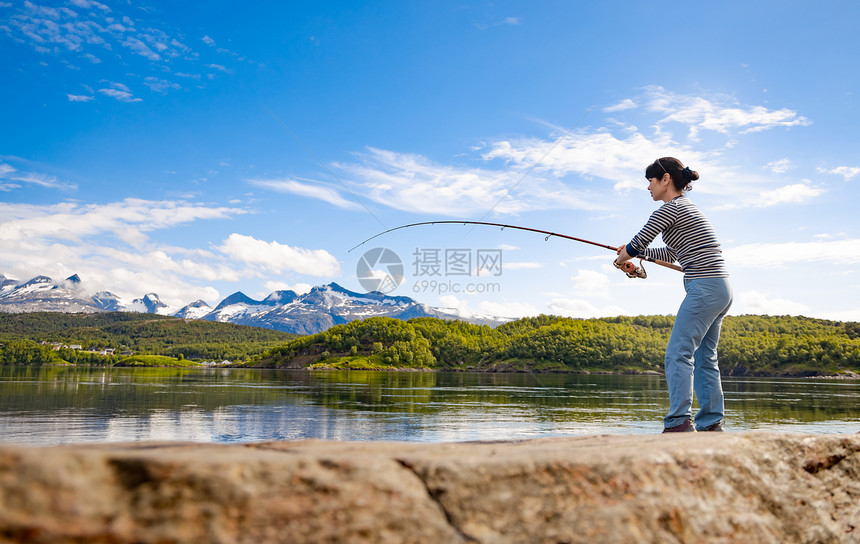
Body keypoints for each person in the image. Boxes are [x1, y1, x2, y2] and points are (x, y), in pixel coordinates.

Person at [614, 157, 732, 433]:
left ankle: (679, 422)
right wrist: (635, 253)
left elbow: (640, 241)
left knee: (678, 354)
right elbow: (672, 254)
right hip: (720, 287)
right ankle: (711, 422)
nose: (648, 188)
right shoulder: (687, 208)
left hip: (703, 287)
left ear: (665, 179)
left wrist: (623, 258)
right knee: (705, 357)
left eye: (650, 181)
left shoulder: (670, 209)